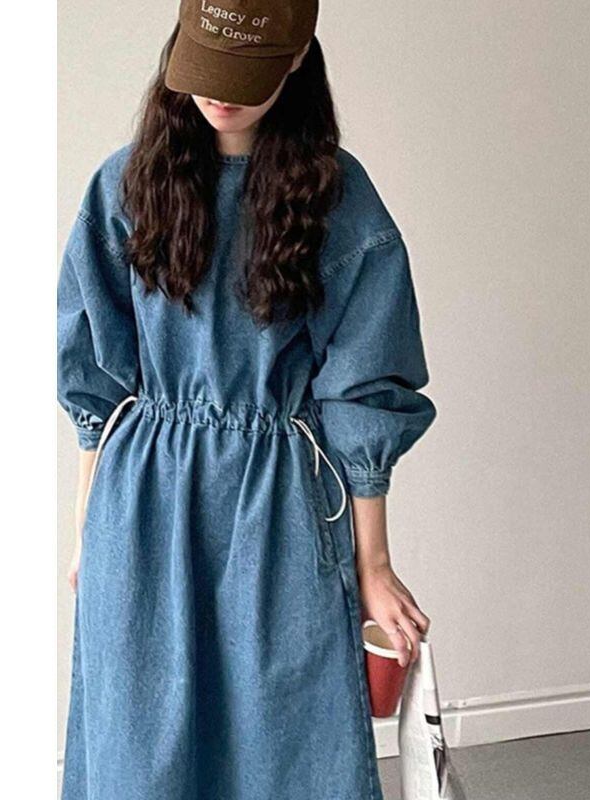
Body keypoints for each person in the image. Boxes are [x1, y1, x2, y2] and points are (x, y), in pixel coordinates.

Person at [57, 2, 436, 798]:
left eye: (245, 74)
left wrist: (372, 564)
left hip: (278, 504)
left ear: (295, 60)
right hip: (142, 503)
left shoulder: (338, 200)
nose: (221, 95)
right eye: (207, 68)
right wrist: (89, 530)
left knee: (285, 744)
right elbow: (97, 383)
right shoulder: (125, 185)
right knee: (139, 744)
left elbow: (364, 390)